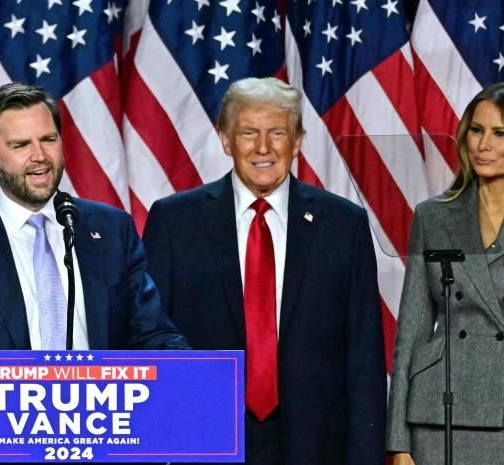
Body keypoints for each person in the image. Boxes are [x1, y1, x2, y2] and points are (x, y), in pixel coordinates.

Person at [143, 77, 386, 465]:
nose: (263, 147)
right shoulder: (175, 221)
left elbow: (364, 355)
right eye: (248, 133)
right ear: (225, 140)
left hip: (316, 445)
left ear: (298, 141)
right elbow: (151, 339)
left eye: (277, 133)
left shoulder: (344, 224)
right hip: (205, 438)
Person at [0, 82, 188, 353]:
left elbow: (154, 334)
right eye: (20, 145)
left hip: (98, 414)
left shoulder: (111, 229)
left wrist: (202, 380)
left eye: (49, 139)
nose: (40, 155)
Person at [387, 82, 504, 465]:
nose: (483, 144)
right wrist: (398, 441)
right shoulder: (433, 215)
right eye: (477, 130)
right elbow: (412, 331)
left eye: (500, 133)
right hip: (440, 413)